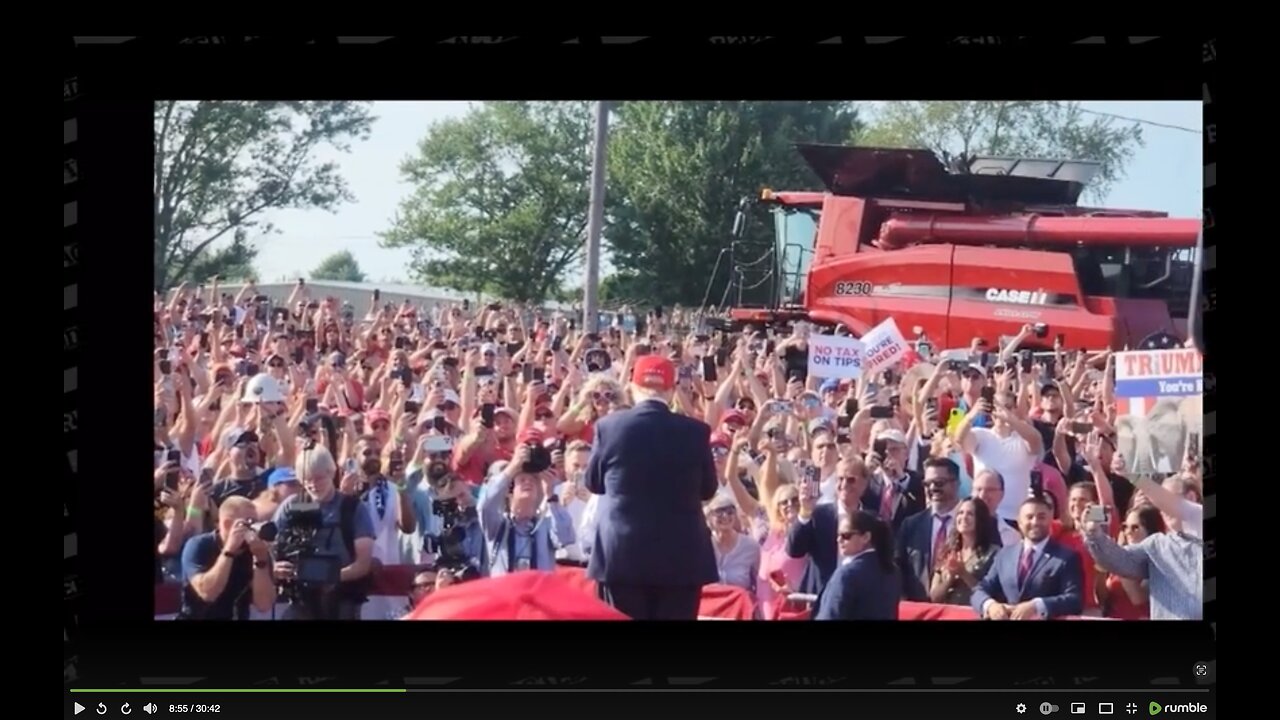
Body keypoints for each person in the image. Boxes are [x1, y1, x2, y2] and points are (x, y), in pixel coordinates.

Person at [585, 355, 720, 620]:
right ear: (671, 391)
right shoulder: (696, 432)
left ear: (633, 388)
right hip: (680, 559)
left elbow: (594, 483)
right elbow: (708, 489)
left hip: (622, 555)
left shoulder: (609, 427)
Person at [271, 445, 377, 620]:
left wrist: (328, 577)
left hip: (341, 596)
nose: (313, 485)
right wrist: (275, 567)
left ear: (331, 473)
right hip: (301, 597)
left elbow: (363, 564)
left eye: (319, 478)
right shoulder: (291, 506)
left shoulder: (352, 508)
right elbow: (269, 545)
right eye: (307, 480)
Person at [1081, 501, 1203, 620]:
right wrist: (1103, 558)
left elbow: (1137, 597)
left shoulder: (1157, 556)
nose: (1128, 532)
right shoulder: (1121, 554)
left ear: (1150, 530)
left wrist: (1120, 556)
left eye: (1135, 527)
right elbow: (1102, 597)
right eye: (1124, 527)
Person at [971, 496, 1084, 620]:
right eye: (1029, 517)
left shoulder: (1067, 557)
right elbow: (980, 590)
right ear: (1019, 522)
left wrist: (1036, 606)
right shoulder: (1004, 555)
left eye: (1041, 517)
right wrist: (990, 605)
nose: (1035, 522)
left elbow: (1074, 600)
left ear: (1050, 520)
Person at [478, 433, 576, 576]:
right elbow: (485, 506)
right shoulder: (497, 525)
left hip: (539, 593)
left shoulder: (545, 525)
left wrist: (550, 495)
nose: (528, 482)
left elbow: (566, 537)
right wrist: (512, 468)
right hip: (505, 595)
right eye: (522, 479)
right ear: (509, 491)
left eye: (533, 479)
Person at [177, 496, 276, 620]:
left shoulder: (255, 551)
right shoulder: (199, 545)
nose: (253, 528)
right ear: (227, 524)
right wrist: (229, 551)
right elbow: (208, 593)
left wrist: (261, 561)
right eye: (249, 522)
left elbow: (264, 604)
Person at [896, 457, 963, 602]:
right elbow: (897, 568)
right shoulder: (911, 525)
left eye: (939, 483)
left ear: (956, 483)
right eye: (927, 484)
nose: (932, 488)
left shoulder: (971, 522)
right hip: (918, 610)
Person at [813, 511, 901, 620]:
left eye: (846, 536)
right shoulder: (892, 571)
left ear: (866, 537)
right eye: (838, 535)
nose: (839, 540)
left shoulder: (847, 574)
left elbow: (830, 615)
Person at [928, 498, 1000, 607]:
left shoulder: (993, 553)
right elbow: (934, 597)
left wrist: (963, 574)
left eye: (970, 514)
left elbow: (991, 595)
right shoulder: (946, 551)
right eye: (960, 513)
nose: (964, 517)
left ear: (980, 519)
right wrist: (950, 578)